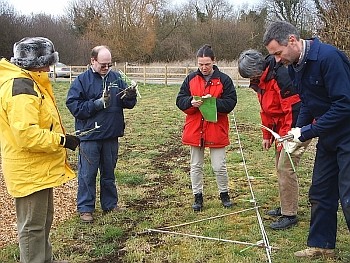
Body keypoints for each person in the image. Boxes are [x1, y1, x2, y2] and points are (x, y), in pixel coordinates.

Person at [263, 20, 350, 258]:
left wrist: (308, 132)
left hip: (348, 134)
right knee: (321, 191)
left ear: (292, 40)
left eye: (278, 53)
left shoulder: (328, 58)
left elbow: (344, 104)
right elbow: (309, 103)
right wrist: (296, 130)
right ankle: (322, 245)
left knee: (349, 195)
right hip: (329, 137)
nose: (277, 60)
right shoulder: (294, 67)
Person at [0, 37, 79, 263]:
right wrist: (63, 141)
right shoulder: (21, 88)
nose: (50, 67)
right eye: (47, 62)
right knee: (32, 226)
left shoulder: (32, 82)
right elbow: (27, 135)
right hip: (28, 168)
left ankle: (45, 259)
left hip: (38, 167)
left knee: (43, 220)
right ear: (35, 63)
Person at [238, 49, 310, 230]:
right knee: (280, 167)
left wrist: (288, 137)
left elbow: (293, 109)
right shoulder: (261, 82)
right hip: (280, 130)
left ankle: (290, 214)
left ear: (257, 69)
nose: (250, 80)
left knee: (286, 168)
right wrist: (267, 135)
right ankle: (285, 205)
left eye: (250, 76)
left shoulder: (280, 76)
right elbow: (266, 110)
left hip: (296, 128)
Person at [66, 45, 137, 223]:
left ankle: (110, 205)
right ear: (93, 61)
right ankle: (85, 208)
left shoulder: (117, 78)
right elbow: (74, 106)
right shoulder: (82, 81)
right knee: (87, 174)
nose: (106, 68)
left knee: (108, 174)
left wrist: (130, 96)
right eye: (103, 64)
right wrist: (97, 104)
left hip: (111, 134)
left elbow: (128, 104)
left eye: (109, 64)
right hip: (89, 136)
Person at [176, 44, 237, 212]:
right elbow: (180, 100)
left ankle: (224, 195)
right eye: (201, 64)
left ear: (213, 62)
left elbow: (231, 102)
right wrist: (191, 102)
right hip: (195, 129)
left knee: (219, 166)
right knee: (196, 165)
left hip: (216, 128)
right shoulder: (190, 79)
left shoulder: (224, 80)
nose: (203, 67)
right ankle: (198, 197)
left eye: (207, 64)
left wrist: (213, 103)